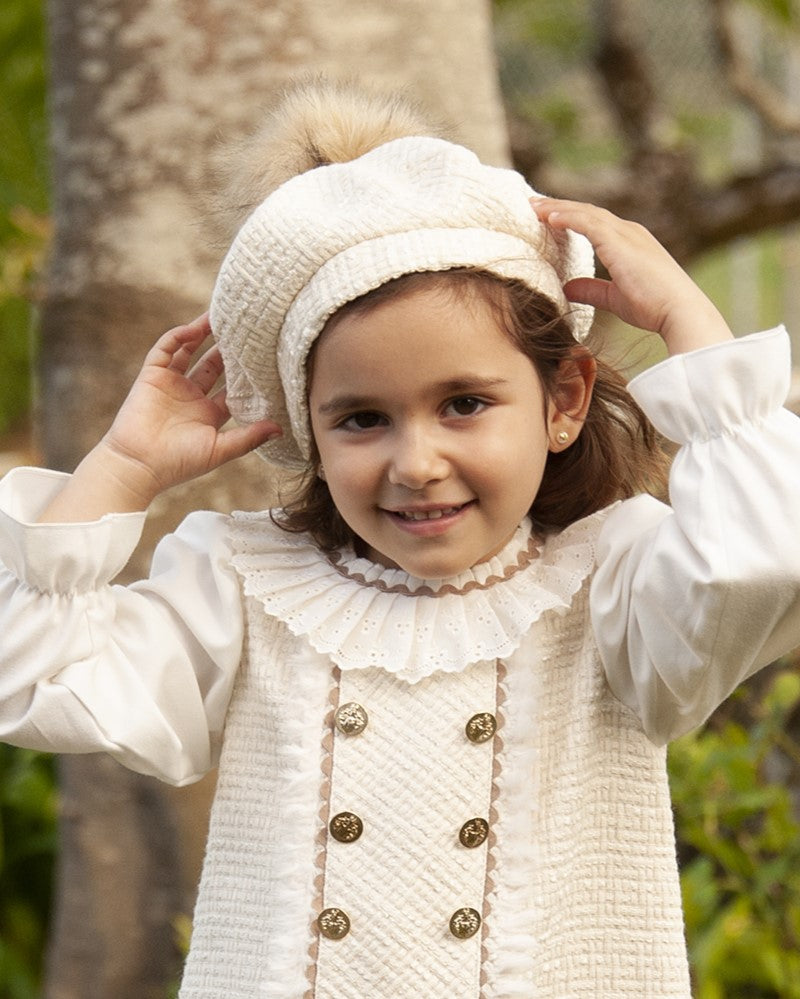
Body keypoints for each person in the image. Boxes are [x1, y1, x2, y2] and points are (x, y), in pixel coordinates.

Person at [1, 79, 799, 998]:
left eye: (464, 403)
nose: (416, 462)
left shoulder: (614, 584)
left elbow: (768, 555)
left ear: (566, 400)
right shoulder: (246, 587)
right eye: (362, 419)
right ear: (307, 427)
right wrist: (126, 465)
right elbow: (31, 674)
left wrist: (691, 326)